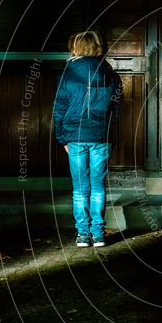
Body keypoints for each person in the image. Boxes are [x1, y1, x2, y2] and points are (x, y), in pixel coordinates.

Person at [53, 30, 121, 247]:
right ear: (98, 46)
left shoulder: (68, 72)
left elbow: (59, 108)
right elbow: (116, 107)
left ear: (77, 47)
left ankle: (83, 235)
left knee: (80, 188)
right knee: (98, 185)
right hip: (101, 135)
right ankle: (99, 234)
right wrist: (110, 133)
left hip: (75, 136)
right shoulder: (110, 73)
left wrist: (62, 137)